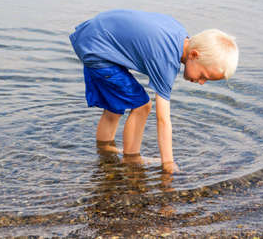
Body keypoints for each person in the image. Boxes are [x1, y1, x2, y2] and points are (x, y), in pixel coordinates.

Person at [69, 9, 239, 173]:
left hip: (93, 34)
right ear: (194, 55)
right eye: (204, 76)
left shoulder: (179, 34)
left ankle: (105, 149)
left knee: (115, 104)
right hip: (98, 50)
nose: (202, 82)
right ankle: (131, 159)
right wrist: (168, 163)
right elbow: (163, 120)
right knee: (143, 106)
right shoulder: (166, 60)